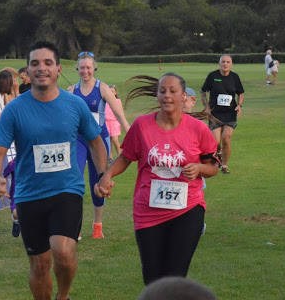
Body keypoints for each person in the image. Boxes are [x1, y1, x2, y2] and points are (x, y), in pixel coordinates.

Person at [0, 41, 107, 300]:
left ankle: (63, 296)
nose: (41, 68)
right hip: (30, 194)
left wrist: (103, 175)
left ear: (58, 69)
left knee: (63, 252)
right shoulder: (15, 109)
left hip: (67, 189)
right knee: (40, 265)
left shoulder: (74, 105)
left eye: (47, 63)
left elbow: (96, 142)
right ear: (27, 72)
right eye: (35, 64)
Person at [95, 73, 219, 285]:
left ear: (183, 97)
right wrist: (107, 175)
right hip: (148, 211)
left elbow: (213, 166)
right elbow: (126, 157)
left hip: (187, 209)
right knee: (152, 278)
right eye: (162, 91)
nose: (167, 96)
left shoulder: (198, 129)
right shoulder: (142, 126)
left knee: (174, 276)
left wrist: (199, 167)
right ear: (157, 95)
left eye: (173, 91)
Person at [68, 51, 131, 239]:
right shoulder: (71, 91)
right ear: (77, 69)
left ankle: (97, 225)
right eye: (81, 68)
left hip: (99, 141)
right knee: (75, 181)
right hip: (79, 141)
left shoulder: (102, 88)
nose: (85, 71)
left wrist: (130, 131)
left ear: (94, 68)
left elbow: (119, 114)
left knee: (99, 182)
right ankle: (75, 227)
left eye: (88, 67)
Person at [200, 54, 244, 174]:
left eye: (228, 62)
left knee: (226, 138)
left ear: (231, 64)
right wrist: (206, 107)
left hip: (230, 113)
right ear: (219, 63)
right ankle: (218, 153)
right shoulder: (213, 76)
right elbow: (203, 91)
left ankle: (224, 165)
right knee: (216, 142)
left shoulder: (235, 77)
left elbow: (240, 93)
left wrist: (239, 105)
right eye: (223, 62)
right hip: (215, 114)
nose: (225, 64)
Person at [103, 85, 123, 158]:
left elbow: (120, 112)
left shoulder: (117, 101)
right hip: (106, 122)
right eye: (109, 92)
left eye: (112, 91)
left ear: (115, 93)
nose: (111, 93)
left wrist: (121, 123)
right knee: (109, 141)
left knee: (115, 140)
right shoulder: (104, 101)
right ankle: (110, 157)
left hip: (114, 122)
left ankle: (119, 155)